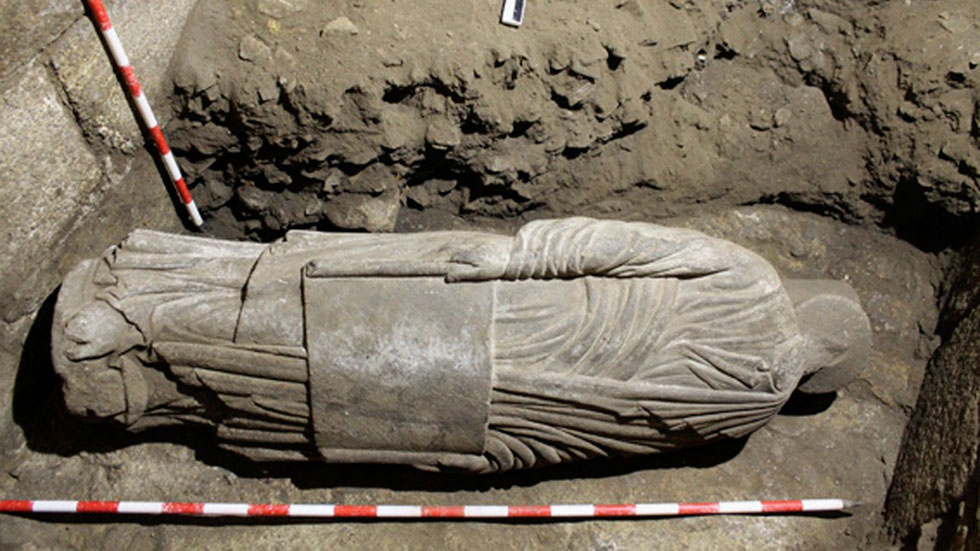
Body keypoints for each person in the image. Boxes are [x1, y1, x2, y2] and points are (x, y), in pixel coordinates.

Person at [51, 217, 871, 472]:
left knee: (327, 305)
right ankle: (153, 390)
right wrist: (502, 452)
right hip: (505, 410)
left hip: (525, 316)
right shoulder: (741, 422)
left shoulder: (754, 280)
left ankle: (137, 317)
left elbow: (615, 247)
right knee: (322, 389)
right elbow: (605, 444)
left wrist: (516, 255)